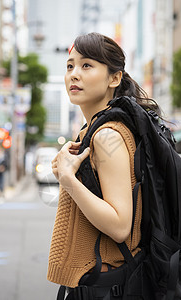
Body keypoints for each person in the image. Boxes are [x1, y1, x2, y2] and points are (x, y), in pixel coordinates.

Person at [47, 32, 162, 298]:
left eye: (87, 65)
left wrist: (68, 179)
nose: (74, 74)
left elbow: (120, 226)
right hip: (101, 281)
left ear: (114, 78)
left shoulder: (108, 135)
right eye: (70, 66)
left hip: (106, 287)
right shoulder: (93, 130)